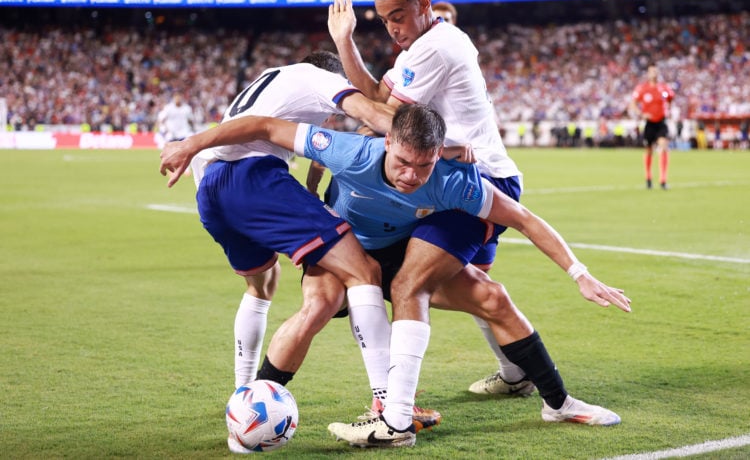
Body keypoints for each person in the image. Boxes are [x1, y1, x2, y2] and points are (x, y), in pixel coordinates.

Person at [160, 104, 632, 449]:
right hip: (344, 248)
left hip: (399, 255)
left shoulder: (453, 180)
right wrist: (192, 144)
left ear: (437, 157)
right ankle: (251, 404)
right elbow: (264, 125)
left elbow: (526, 218)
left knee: (492, 297)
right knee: (317, 307)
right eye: (403, 162)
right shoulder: (351, 151)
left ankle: (558, 403)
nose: (410, 175)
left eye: (423, 166)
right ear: (387, 142)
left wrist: (579, 274)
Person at [161, 51, 401, 454]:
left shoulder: (270, 80)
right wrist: (439, 141)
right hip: (254, 180)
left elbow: (280, 142)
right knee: (364, 272)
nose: (331, 118)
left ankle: (242, 396)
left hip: (212, 187)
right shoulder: (318, 78)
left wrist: (305, 192)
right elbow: (372, 114)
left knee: (263, 285)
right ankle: (388, 406)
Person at [327, 0, 533, 399]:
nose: (391, 29)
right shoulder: (415, 51)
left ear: (425, 4)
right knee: (476, 286)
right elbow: (379, 102)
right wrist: (344, 42)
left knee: (407, 283)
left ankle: (393, 407)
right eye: (383, 21)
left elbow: (386, 119)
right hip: (469, 176)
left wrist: (365, 122)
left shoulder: (434, 48)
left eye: (397, 17)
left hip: (475, 182)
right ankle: (518, 373)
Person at [628, 63, 675, 189]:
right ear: (648, 74)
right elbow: (633, 104)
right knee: (649, 150)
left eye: (655, 71)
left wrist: (668, 106)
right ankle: (648, 177)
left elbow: (669, 98)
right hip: (649, 123)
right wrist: (641, 114)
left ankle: (663, 180)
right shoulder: (642, 89)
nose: (653, 73)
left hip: (661, 122)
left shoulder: (663, 89)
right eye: (651, 71)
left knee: (663, 146)